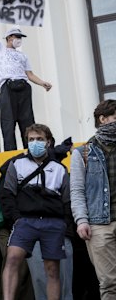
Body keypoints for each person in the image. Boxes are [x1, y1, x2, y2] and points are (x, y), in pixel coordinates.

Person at [0, 124, 70, 300]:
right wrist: (15, 219)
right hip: (25, 221)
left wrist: (64, 225)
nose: (35, 143)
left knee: (52, 269)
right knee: (13, 258)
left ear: (49, 142)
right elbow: (7, 194)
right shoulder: (16, 164)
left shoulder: (60, 169)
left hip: (53, 223)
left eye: (39, 139)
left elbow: (68, 200)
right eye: (31, 139)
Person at [0, 0, 52, 151]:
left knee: (27, 121)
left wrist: (42, 82)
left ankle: (30, 150)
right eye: (17, 37)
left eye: (20, 38)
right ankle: (11, 154)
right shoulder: (0, 50)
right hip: (8, 87)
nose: (18, 40)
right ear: (9, 38)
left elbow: (30, 74)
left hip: (23, 86)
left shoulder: (23, 56)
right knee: (8, 123)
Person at [71, 99, 116, 299]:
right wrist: (81, 220)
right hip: (99, 224)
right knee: (109, 283)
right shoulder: (84, 152)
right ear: (103, 119)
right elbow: (77, 190)